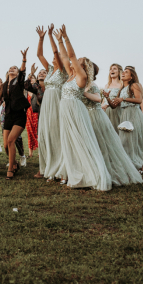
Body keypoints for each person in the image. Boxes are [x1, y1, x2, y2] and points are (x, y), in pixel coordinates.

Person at [54, 26, 111, 191]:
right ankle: (75, 174)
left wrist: (66, 38)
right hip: (65, 110)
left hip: (75, 110)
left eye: (80, 61)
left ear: (84, 67)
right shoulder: (70, 75)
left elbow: (70, 55)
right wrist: (58, 41)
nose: (75, 60)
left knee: (80, 140)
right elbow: (65, 56)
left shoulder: (81, 77)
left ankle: (91, 175)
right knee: (69, 141)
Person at [82, 62, 143, 187]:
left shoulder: (127, 85)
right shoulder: (111, 86)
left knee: (127, 140)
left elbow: (139, 100)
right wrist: (108, 98)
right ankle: (121, 163)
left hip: (126, 113)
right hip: (110, 110)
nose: (112, 70)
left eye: (115, 68)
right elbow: (113, 104)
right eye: (110, 69)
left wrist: (142, 112)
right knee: (118, 140)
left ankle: (136, 165)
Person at [0, 49, 41, 179]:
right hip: (8, 116)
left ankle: (11, 169)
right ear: (7, 72)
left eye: (15, 68)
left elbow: (23, 72)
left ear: (17, 73)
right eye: (10, 68)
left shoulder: (19, 82)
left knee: (11, 140)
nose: (12, 69)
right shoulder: (4, 85)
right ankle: (14, 162)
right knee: (6, 145)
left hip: (19, 116)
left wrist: (23, 60)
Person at [35, 24, 67, 181]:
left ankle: (59, 169)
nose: (54, 57)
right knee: (45, 134)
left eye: (57, 56)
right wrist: (40, 38)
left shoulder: (62, 71)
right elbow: (39, 54)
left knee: (56, 134)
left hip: (56, 103)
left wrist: (50, 36)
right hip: (46, 104)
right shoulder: (48, 70)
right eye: (54, 56)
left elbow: (55, 51)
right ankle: (48, 168)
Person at [114, 66, 143, 173]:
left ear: (131, 76)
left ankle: (139, 166)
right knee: (126, 140)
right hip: (124, 114)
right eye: (122, 71)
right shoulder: (122, 88)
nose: (123, 73)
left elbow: (139, 99)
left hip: (133, 113)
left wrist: (123, 98)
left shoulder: (134, 85)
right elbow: (116, 105)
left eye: (126, 72)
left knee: (135, 139)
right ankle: (130, 163)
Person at [26, 68, 46, 158]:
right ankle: (34, 153)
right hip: (34, 112)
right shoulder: (35, 88)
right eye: (39, 73)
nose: (41, 74)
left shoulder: (50, 87)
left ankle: (43, 153)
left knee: (43, 134)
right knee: (34, 133)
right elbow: (26, 86)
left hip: (45, 112)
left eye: (44, 72)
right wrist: (31, 73)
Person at [101, 64, 124, 133]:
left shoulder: (121, 84)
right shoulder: (107, 85)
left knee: (116, 131)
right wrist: (101, 108)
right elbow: (104, 100)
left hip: (116, 111)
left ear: (119, 71)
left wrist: (107, 105)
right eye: (110, 69)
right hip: (106, 111)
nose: (112, 70)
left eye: (114, 69)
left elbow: (120, 100)